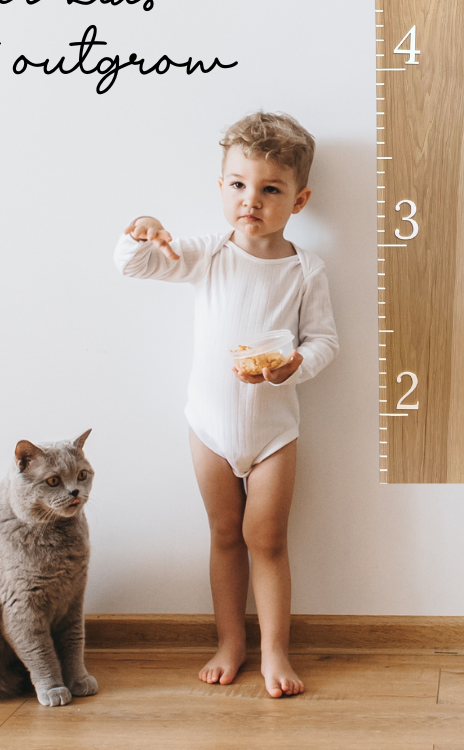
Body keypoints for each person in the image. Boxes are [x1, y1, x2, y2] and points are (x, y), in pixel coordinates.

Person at [114, 111, 338, 698]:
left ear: (299, 199)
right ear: (220, 188)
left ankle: (276, 650)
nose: (251, 200)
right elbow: (133, 265)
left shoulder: (305, 269)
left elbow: (324, 342)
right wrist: (141, 230)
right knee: (223, 535)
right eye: (238, 185)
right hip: (209, 427)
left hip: (274, 432)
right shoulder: (206, 253)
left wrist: (296, 366)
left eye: (270, 189)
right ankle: (230, 640)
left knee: (267, 539)